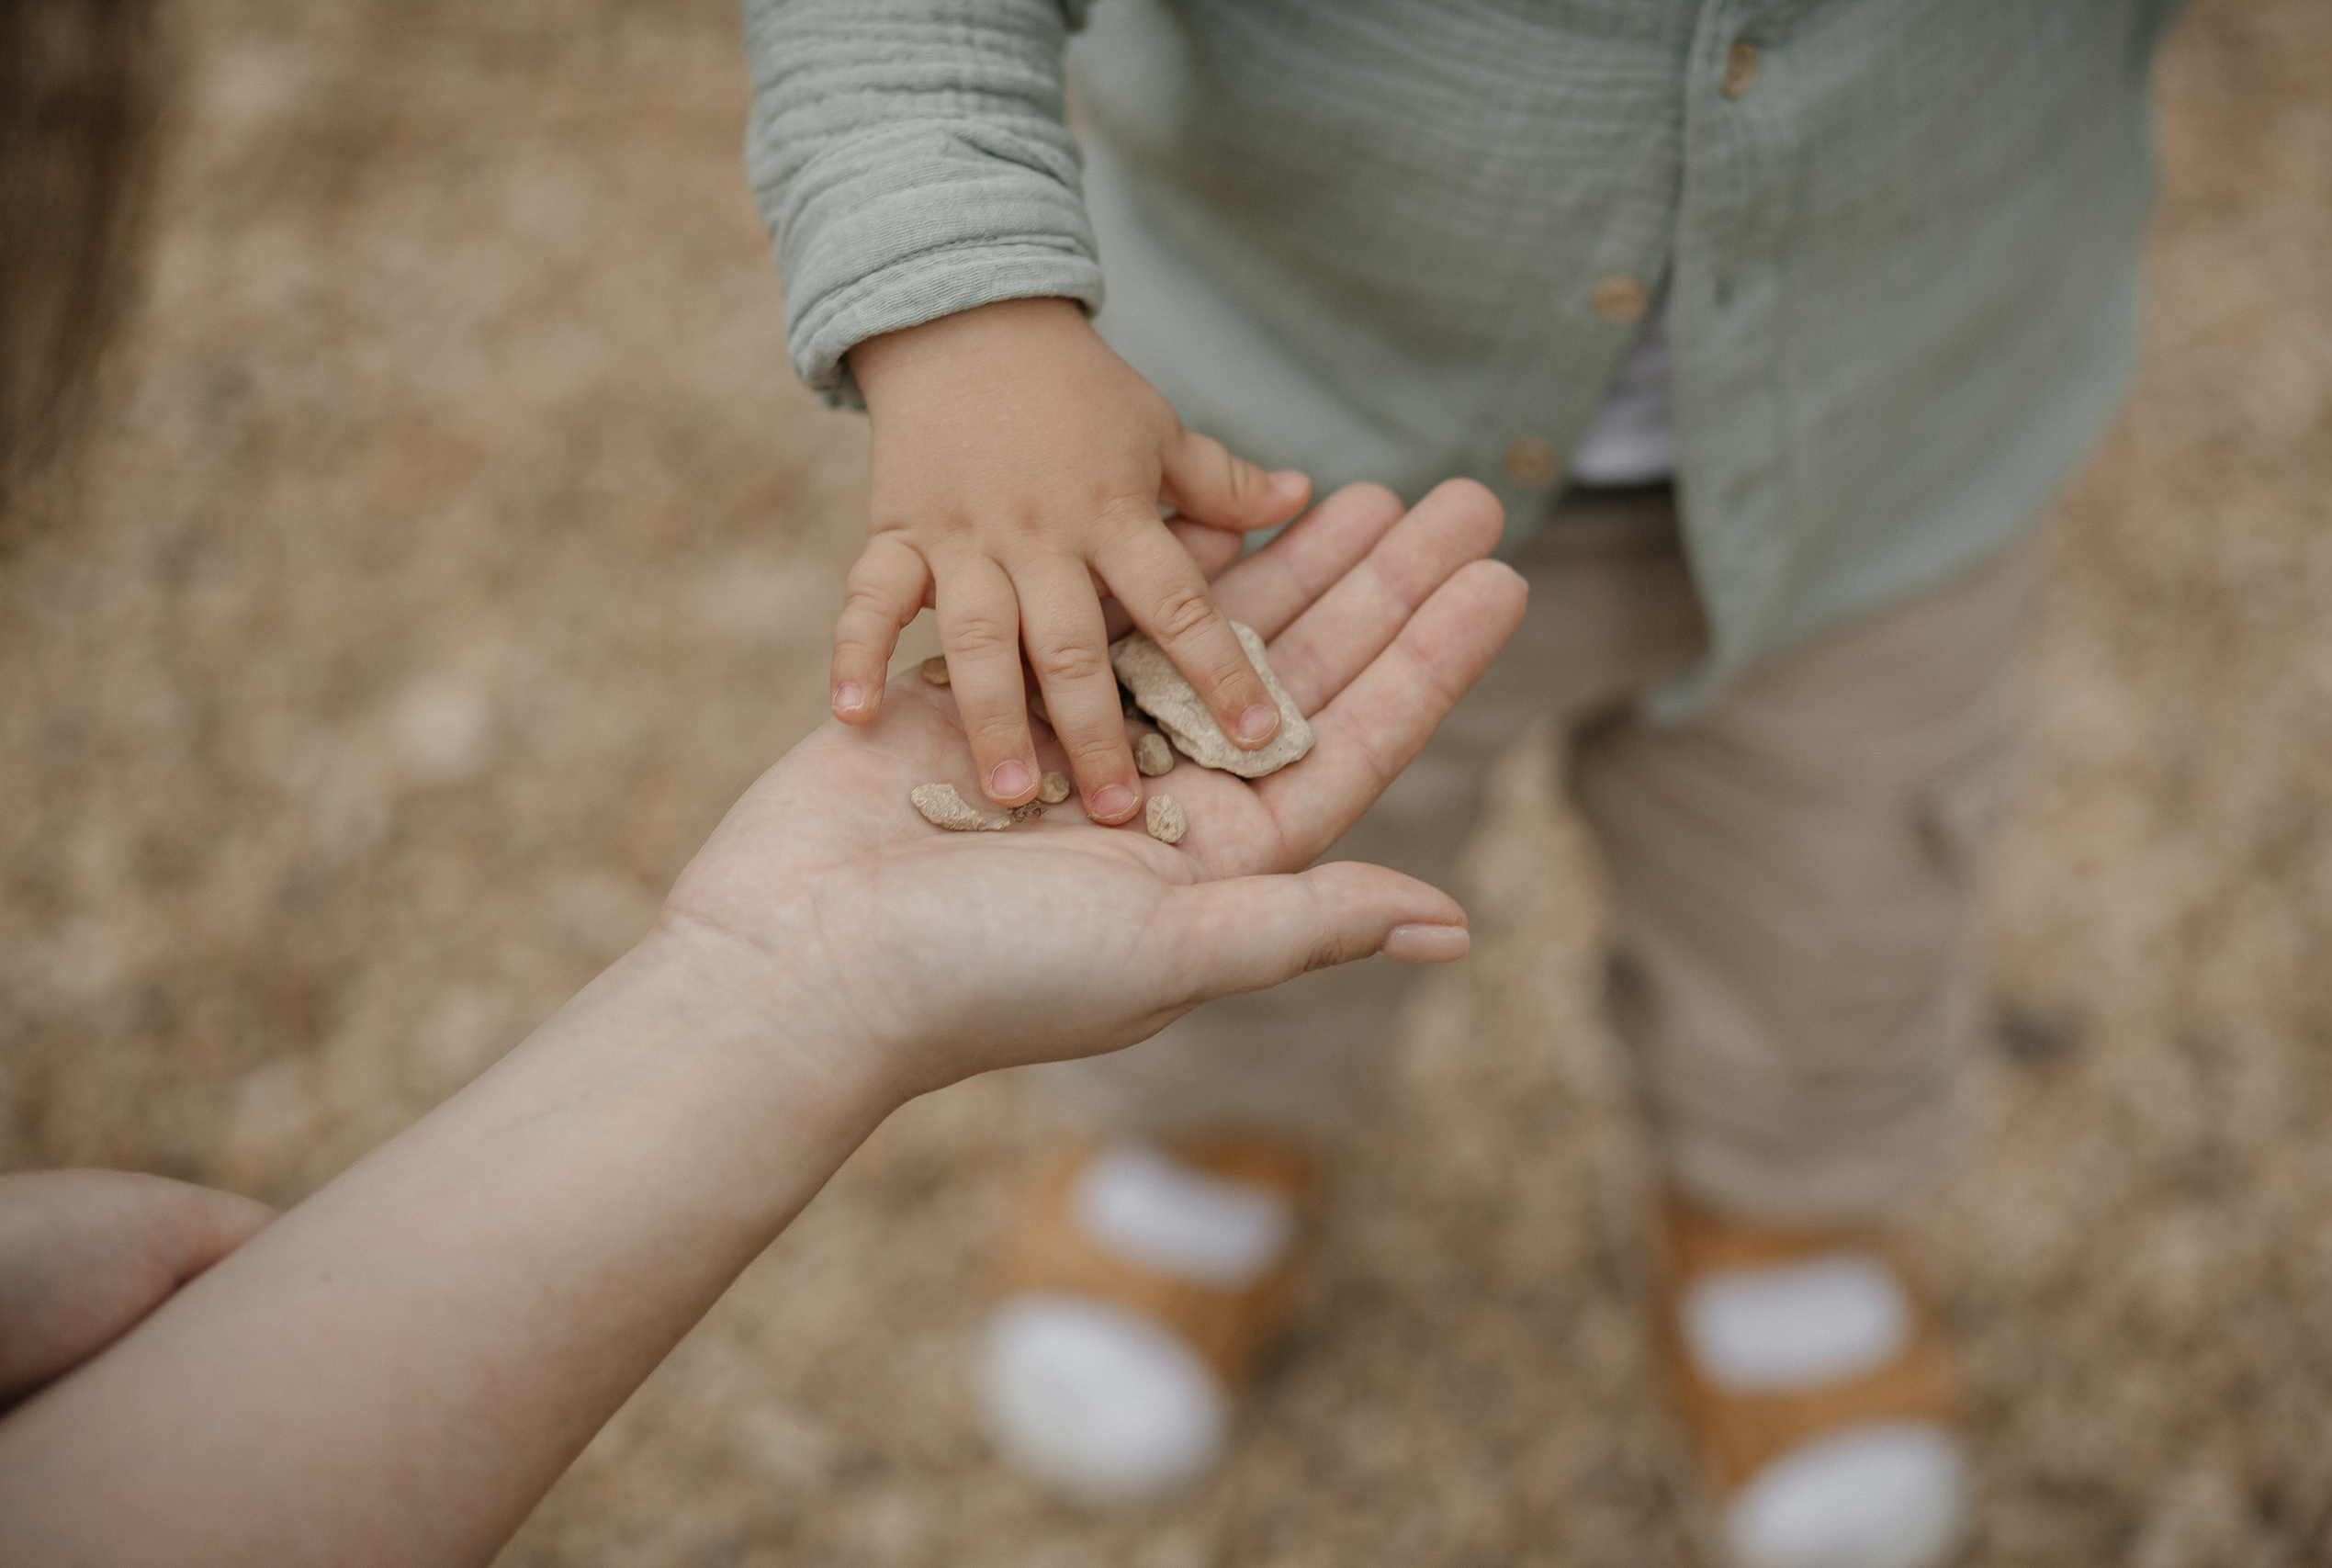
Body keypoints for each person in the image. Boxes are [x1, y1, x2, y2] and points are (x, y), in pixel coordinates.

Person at [0, 6, 1527, 1562]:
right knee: (1254, 930)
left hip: (1711, 560)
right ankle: (1201, 1154)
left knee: (1711, 905)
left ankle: (1713, 1194)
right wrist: (964, 297)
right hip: (1236, 452)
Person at [743, 2, 2188, 1562]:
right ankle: (1209, 1137)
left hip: (1891, 467)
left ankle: (1779, 1213)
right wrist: (963, 297)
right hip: (1274, 457)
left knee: (1839, 903)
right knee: (1222, 859)